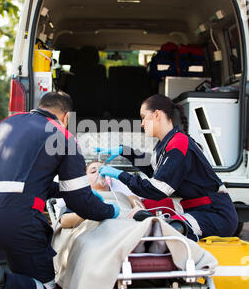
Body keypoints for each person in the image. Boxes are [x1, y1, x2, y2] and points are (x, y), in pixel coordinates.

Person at [0, 92, 120, 289]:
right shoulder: (63, 136)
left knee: (18, 262)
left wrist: (61, 191)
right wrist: (108, 211)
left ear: (40, 107)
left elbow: (27, 181)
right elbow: (79, 201)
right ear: (66, 117)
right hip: (13, 219)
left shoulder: (7, 124)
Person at [97, 94, 238, 241]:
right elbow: (156, 170)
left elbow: (157, 189)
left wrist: (120, 175)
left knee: (160, 232)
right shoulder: (166, 144)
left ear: (157, 114)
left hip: (215, 215)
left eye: (144, 117)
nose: (142, 123)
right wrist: (124, 151)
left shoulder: (178, 144)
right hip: (200, 211)